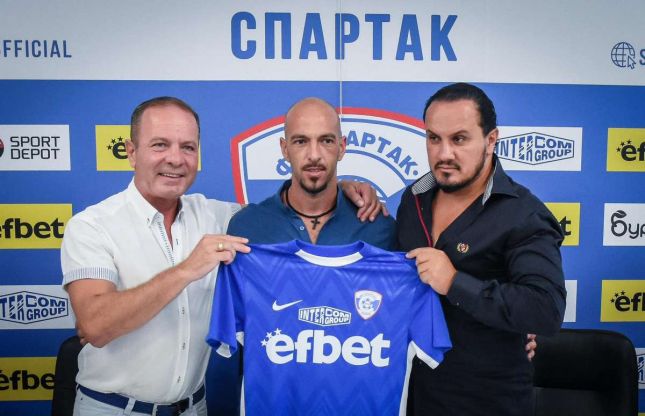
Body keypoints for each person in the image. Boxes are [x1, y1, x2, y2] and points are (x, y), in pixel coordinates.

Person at [61, 96, 382, 416]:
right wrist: (186, 270)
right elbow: (94, 326)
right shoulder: (92, 226)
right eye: (160, 145)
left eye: (187, 147)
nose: (175, 159)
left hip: (193, 409)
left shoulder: (219, 217)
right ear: (131, 152)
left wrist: (340, 185)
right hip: (113, 408)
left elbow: (286, 211)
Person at [397, 83, 566, 415]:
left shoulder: (523, 214)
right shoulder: (413, 197)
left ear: (491, 140)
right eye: (434, 138)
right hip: (418, 394)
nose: (444, 153)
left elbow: (545, 309)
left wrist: (454, 282)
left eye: (459, 139)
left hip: (488, 401)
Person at [227, 97, 395, 247]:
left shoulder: (378, 228)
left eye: (326, 141)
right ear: (285, 149)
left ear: (341, 147)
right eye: (301, 141)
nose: (314, 155)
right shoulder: (247, 226)